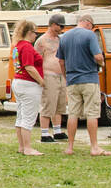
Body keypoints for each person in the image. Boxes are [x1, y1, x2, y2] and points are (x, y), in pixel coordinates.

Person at [56, 14, 110, 157]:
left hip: (72, 80)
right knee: (92, 113)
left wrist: (66, 77)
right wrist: (102, 63)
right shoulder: (89, 35)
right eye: (92, 26)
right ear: (88, 23)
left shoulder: (65, 37)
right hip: (89, 79)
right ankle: (94, 147)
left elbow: (61, 61)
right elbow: (98, 56)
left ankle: (70, 147)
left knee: (73, 114)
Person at [11, 20, 45, 156]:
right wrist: (41, 81)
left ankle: (22, 146)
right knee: (29, 117)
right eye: (35, 33)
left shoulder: (17, 46)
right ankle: (28, 147)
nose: (36, 36)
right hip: (28, 85)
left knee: (21, 115)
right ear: (29, 33)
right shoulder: (27, 47)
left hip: (18, 82)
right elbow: (29, 67)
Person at [35, 14, 69, 143]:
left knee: (59, 105)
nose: (61, 29)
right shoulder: (42, 40)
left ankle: (57, 130)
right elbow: (37, 60)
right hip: (48, 76)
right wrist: (40, 78)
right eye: (60, 26)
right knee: (48, 104)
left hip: (61, 76)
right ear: (53, 24)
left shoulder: (60, 39)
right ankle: (44, 133)